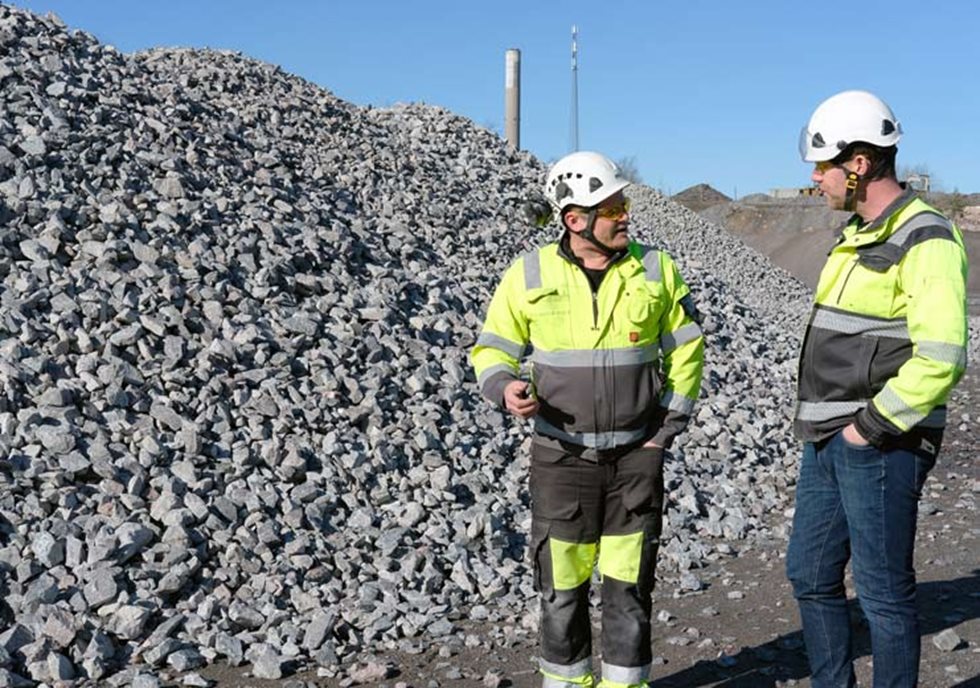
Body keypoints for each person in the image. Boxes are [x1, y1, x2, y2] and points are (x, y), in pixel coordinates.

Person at [471, 151, 704, 688]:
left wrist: (662, 435)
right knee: (561, 591)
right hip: (561, 461)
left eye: (623, 203)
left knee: (629, 589)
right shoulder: (528, 274)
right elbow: (491, 349)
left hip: (634, 462)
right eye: (611, 206)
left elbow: (689, 351)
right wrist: (504, 387)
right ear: (575, 219)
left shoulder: (655, 269)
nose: (624, 214)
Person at [787, 90, 969, 687]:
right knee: (810, 575)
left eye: (823, 165)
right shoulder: (857, 234)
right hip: (825, 438)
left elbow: (941, 354)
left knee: (884, 596)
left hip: (880, 442)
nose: (817, 179)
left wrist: (867, 428)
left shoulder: (926, 236)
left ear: (859, 164)